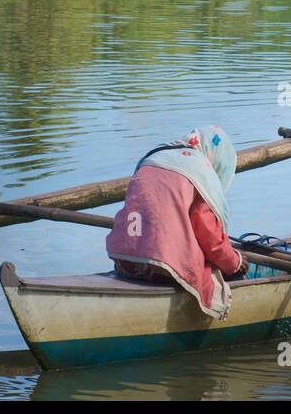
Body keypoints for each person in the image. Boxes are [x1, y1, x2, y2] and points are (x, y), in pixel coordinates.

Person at [106, 125, 248, 319]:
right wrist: (235, 262)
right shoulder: (201, 172)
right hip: (162, 270)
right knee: (217, 272)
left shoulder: (153, 158)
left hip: (124, 261)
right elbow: (210, 237)